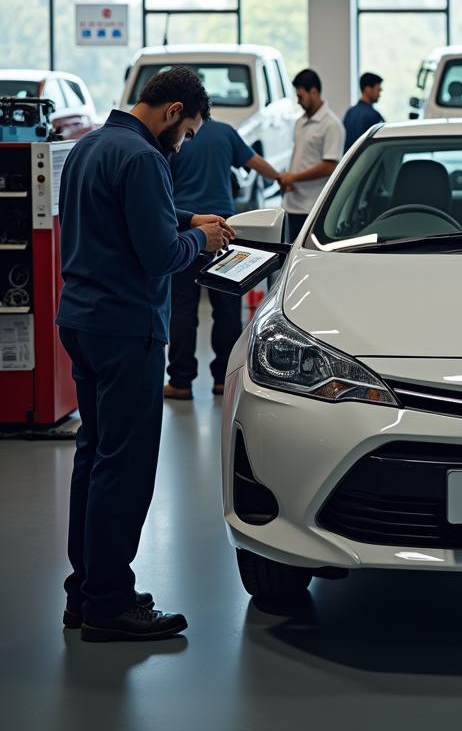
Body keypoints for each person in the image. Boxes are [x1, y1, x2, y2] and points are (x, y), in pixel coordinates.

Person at [56, 67, 233, 643]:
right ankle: (110, 602)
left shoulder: (90, 147)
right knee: (125, 467)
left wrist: (184, 219)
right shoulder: (144, 158)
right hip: (126, 326)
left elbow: (118, 216)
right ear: (173, 111)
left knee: (95, 456)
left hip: (81, 321)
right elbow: (159, 256)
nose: (182, 146)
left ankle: (85, 592)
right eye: (187, 133)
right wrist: (199, 241)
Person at [164, 118, 280, 401]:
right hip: (223, 227)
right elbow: (255, 163)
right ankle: (222, 379)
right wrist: (281, 178)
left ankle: (180, 381)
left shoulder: (175, 135)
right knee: (227, 307)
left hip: (186, 227)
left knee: (181, 308)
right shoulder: (226, 132)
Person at [278, 69, 343, 242]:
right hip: (291, 205)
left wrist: (295, 177)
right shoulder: (300, 122)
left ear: (313, 91)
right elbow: (300, 157)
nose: (298, 101)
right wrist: (289, 179)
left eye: (300, 96)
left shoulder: (331, 125)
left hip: (312, 208)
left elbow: (330, 166)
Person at [342, 72, 384, 152]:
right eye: (378, 90)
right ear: (368, 89)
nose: (379, 94)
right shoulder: (373, 115)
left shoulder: (349, 113)